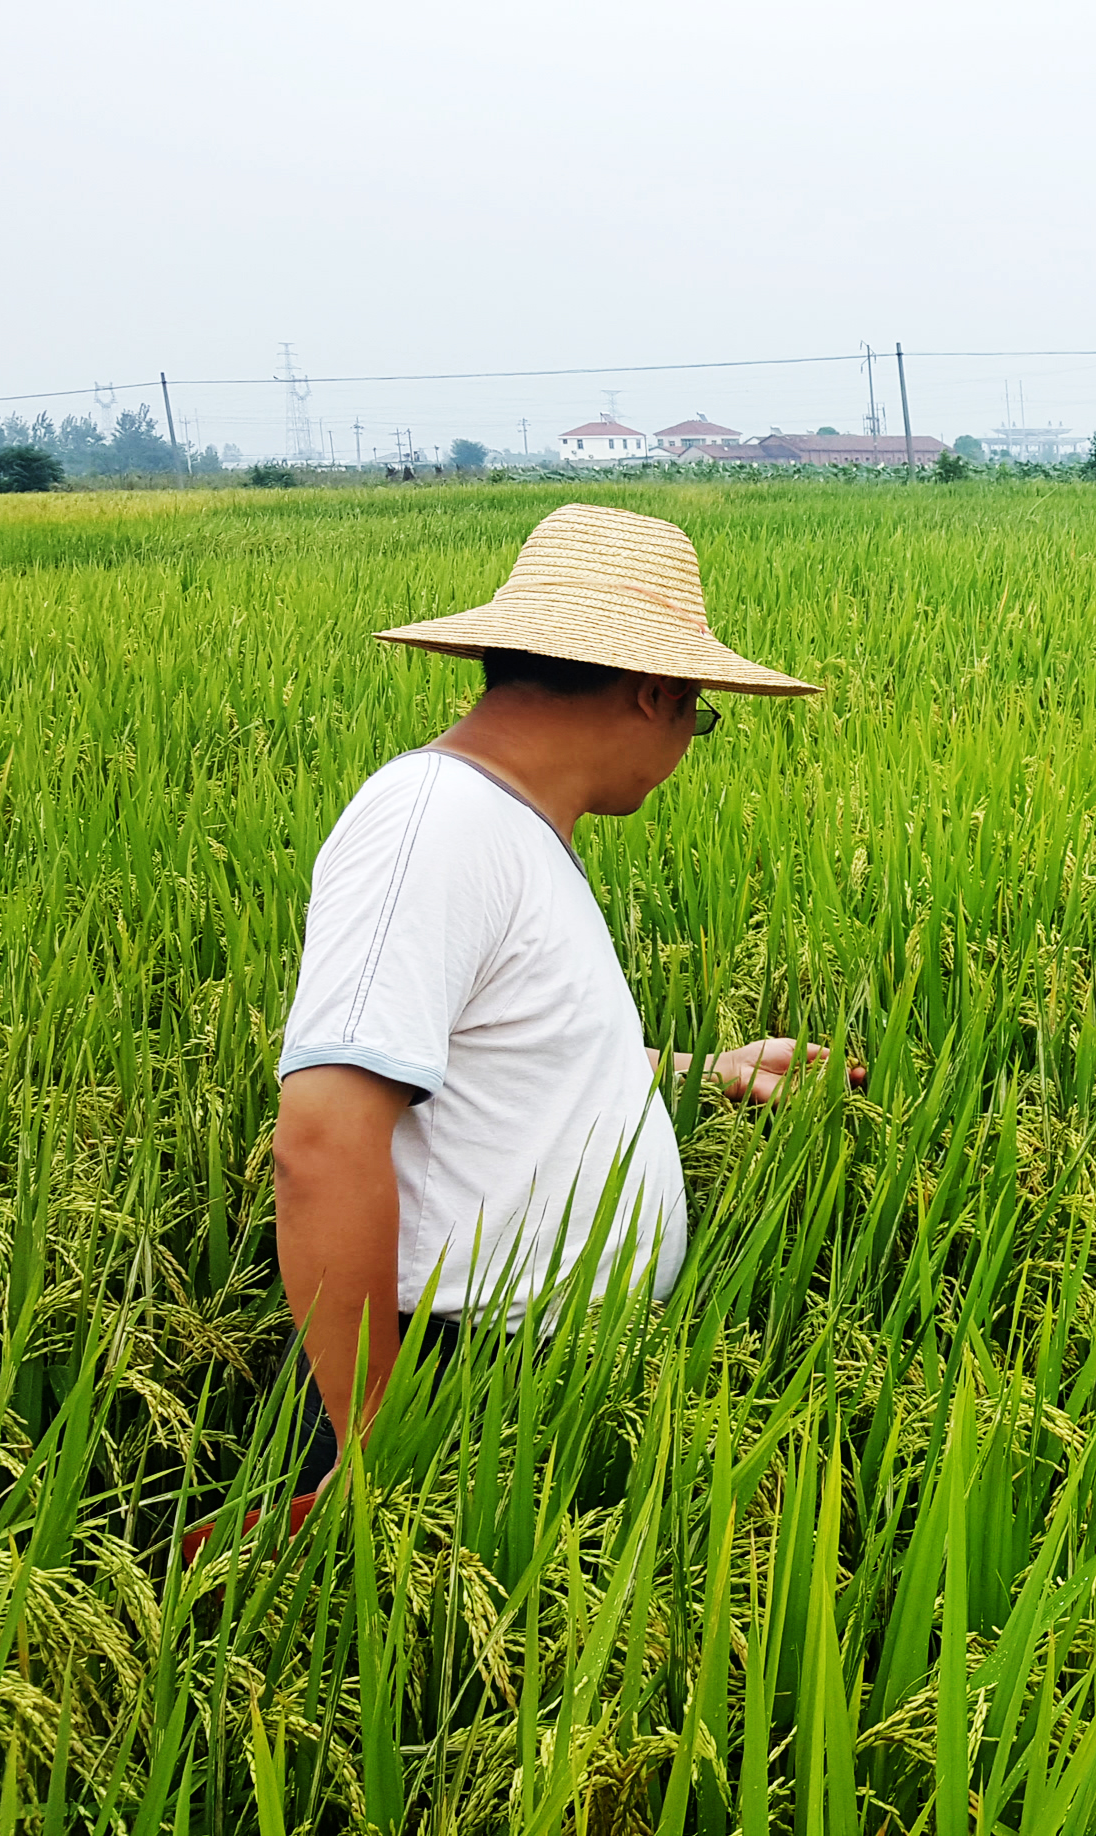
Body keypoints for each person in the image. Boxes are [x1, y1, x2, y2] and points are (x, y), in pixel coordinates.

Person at [268, 501, 824, 1505]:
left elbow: (493, 1064)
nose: (692, 740)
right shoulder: (433, 825)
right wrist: (376, 1445)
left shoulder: (509, 828)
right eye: (701, 716)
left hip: (536, 1376)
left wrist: (709, 1072)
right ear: (657, 692)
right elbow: (324, 1136)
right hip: (453, 1379)